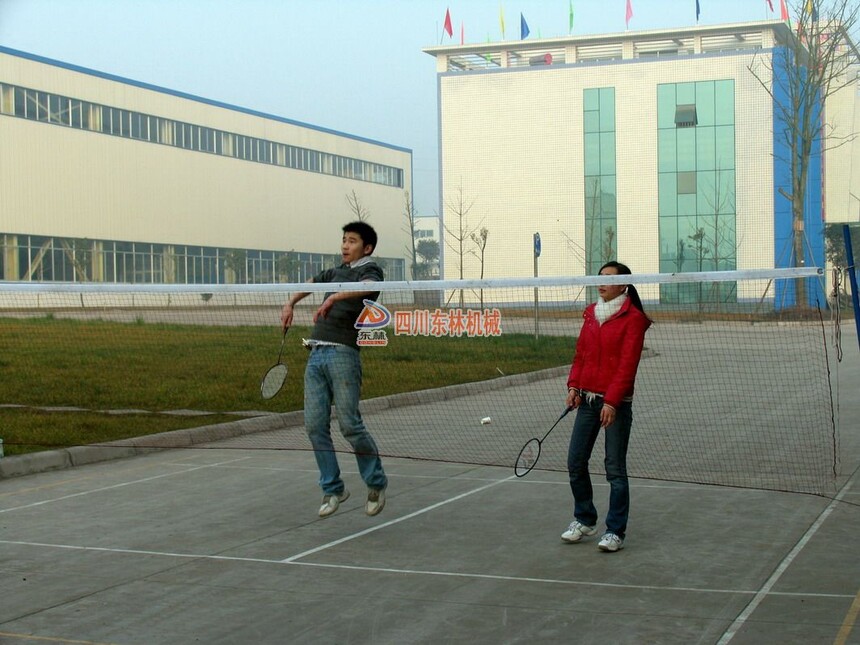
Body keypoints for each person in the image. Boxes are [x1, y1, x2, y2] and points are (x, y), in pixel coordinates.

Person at [280, 221, 388, 518]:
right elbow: (311, 284)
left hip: (343, 353)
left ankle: (376, 483)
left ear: (366, 248)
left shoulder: (371, 270)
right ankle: (333, 489)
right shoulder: (335, 272)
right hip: (316, 352)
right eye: (343, 240)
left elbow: (367, 288)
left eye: (352, 241)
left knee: (350, 425)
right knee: (314, 425)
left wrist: (334, 297)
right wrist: (290, 303)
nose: (344, 245)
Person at [561, 261, 651, 552]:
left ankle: (615, 531)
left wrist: (611, 402)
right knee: (575, 462)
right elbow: (581, 355)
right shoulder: (591, 313)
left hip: (616, 405)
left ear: (623, 285)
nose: (602, 283)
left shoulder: (633, 319)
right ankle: (585, 519)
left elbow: (627, 366)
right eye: (600, 278)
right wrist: (574, 386)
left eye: (609, 278)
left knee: (614, 469)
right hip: (587, 401)